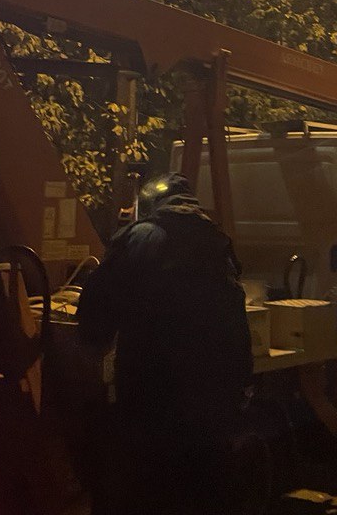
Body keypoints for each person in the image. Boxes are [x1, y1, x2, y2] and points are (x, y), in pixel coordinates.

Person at [77, 173, 253, 515]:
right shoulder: (218, 242)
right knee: (202, 491)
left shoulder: (140, 237)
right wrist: (242, 383)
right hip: (213, 395)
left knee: (149, 489)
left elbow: (97, 307)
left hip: (153, 390)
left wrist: (92, 346)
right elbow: (236, 314)